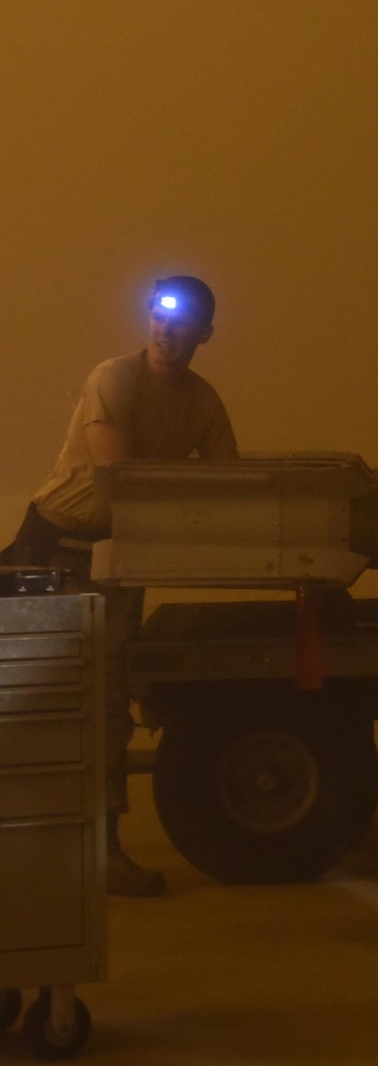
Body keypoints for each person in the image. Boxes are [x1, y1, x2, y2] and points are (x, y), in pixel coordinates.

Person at [3, 277, 238, 897]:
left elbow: (228, 490)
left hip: (118, 562)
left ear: (205, 334)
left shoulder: (204, 404)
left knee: (107, 707)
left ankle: (102, 850)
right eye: (158, 318)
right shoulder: (114, 378)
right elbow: (119, 480)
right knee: (26, 699)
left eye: (182, 323)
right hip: (52, 549)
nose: (165, 332)